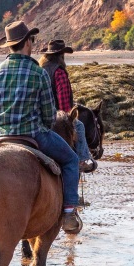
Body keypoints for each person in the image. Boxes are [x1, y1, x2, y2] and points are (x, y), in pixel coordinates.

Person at [0, 20, 83, 234]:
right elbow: (49, 117)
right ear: (27, 42)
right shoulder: (38, 74)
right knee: (71, 160)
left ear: (10, 45)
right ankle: (68, 212)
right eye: (31, 39)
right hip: (32, 135)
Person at [39, 39, 97, 172]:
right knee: (80, 126)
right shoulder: (59, 72)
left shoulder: (40, 69)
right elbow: (64, 104)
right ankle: (83, 160)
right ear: (61, 55)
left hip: (39, 117)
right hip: (56, 117)